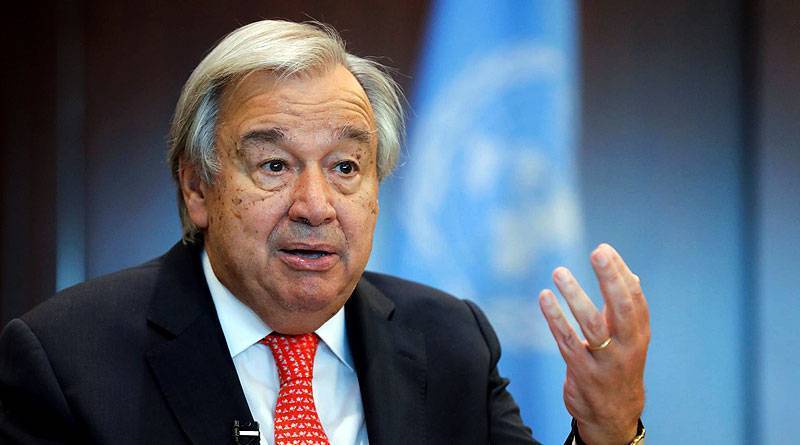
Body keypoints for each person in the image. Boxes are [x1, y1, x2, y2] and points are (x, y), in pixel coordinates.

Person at [0, 20, 649, 445]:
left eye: (345, 167)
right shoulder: (66, 360)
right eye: (274, 165)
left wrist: (609, 429)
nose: (315, 206)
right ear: (197, 188)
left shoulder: (451, 342)